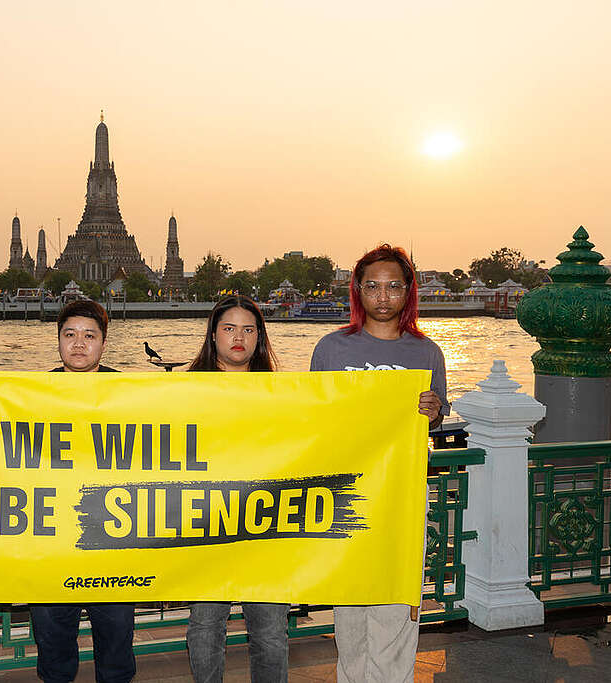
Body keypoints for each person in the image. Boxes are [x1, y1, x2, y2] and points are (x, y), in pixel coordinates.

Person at [310, 245, 447, 683]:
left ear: (408, 293)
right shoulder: (331, 349)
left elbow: (435, 421)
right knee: (350, 622)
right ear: (357, 291)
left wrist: (433, 410)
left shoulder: (428, 354)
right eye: (372, 286)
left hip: (402, 499)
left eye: (393, 287)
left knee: (396, 613)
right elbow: (313, 420)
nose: (382, 297)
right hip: (346, 498)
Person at [30, 299, 136, 683]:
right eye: (69, 335)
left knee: (116, 652)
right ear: (57, 341)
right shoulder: (30, 395)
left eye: (89, 336)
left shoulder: (130, 395)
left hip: (114, 541)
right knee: (54, 652)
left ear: (103, 343)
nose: (78, 344)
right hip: (52, 540)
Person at [185, 295, 289, 683]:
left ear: (259, 338)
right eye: (229, 328)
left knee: (270, 633)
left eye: (249, 329)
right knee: (206, 628)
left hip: (266, 525)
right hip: (205, 523)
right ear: (213, 335)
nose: (239, 337)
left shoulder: (284, 395)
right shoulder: (183, 392)